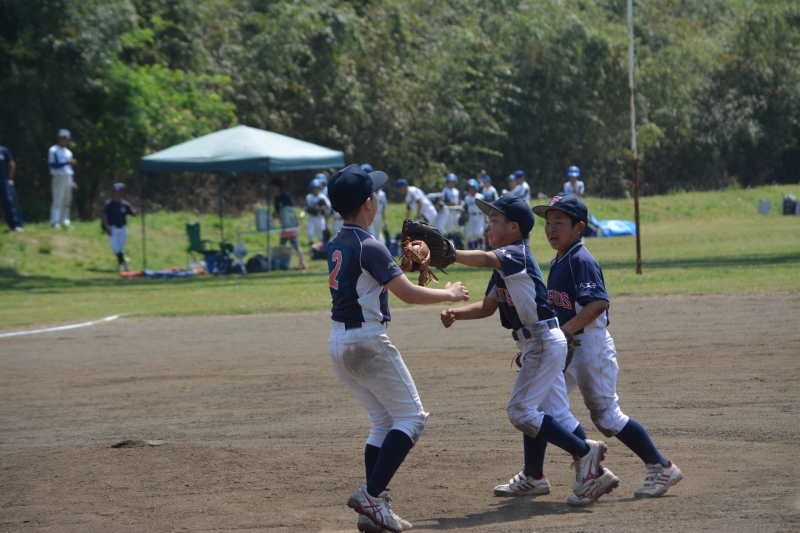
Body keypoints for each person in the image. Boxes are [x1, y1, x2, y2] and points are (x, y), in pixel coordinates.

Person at [439, 194, 618, 507]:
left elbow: (484, 258)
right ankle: (546, 475)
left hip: (543, 342)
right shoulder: (503, 267)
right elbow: (488, 307)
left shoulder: (516, 254)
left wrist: (448, 252)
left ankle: (584, 453)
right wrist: (457, 314)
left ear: (514, 227)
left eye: (494, 220)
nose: (488, 226)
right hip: (539, 342)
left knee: (521, 411)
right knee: (552, 414)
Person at [326, 164, 469, 532]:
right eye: (374, 194)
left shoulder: (339, 241)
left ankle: (373, 511)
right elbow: (407, 294)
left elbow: (369, 282)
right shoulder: (370, 245)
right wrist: (449, 293)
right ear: (368, 204)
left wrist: (397, 266)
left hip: (339, 343)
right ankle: (371, 496)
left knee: (383, 422)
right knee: (412, 418)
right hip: (367, 342)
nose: (377, 198)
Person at [531, 193, 683, 498]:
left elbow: (598, 303)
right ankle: (534, 475)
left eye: (559, 222)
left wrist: (565, 332)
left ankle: (661, 466)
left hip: (590, 347)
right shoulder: (559, 259)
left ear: (579, 227)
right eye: (547, 223)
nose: (551, 228)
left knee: (606, 416)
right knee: (536, 404)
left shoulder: (580, 259)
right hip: (567, 346)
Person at [271, 178, 307, 269]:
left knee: (295, 244)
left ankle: (302, 262)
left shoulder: (285, 196)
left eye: (274, 187)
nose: (273, 189)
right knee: (282, 245)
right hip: (283, 226)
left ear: (279, 187)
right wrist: (275, 214)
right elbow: (277, 211)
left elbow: (289, 211)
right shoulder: (276, 198)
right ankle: (283, 263)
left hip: (290, 226)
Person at [102, 183, 136, 272]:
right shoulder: (109, 204)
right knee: (115, 248)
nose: (119, 193)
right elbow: (105, 216)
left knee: (121, 248)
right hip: (113, 228)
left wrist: (140, 208)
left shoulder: (125, 204)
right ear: (114, 193)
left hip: (123, 228)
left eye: (121, 191)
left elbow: (133, 213)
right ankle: (124, 261)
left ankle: (120, 265)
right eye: (117, 192)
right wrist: (106, 228)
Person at [48, 129, 77, 228]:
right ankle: (54, 221)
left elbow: (70, 169)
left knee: (66, 200)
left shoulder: (68, 152)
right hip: (58, 176)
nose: (63, 140)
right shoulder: (53, 150)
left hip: (67, 177)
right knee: (57, 199)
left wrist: (73, 181)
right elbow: (52, 164)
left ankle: (65, 221)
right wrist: (66, 162)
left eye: (65, 138)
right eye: (62, 138)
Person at [0, 136, 23, 232]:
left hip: (3, 181)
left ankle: (15, 225)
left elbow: (12, 164)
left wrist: (10, 178)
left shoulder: (3, 150)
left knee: (9, 202)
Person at [305, 179, 331, 245]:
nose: (316, 190)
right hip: (311, 217)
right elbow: (307, 207)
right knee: (310, 233)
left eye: (317, 188)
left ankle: (322, 247)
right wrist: (314, 207)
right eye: (314, 188)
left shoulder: (322, 197)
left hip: (320, 217)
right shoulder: (309, 197)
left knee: (321, 234)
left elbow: (328, 206)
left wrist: (320, 208)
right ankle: (312, 246)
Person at [462, 179, 484, 250]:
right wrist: (464, 214)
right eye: (469, 188)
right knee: (471, 234)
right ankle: (472, 249)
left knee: (478, 233)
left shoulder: (480, 196)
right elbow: (464, 208)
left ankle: (481, 247)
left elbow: (484, 207)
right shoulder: (467, 198)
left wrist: (486, 217)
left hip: (479, 215)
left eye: (472, 187)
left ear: (475, 188)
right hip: (470, 216)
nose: (470, 189)